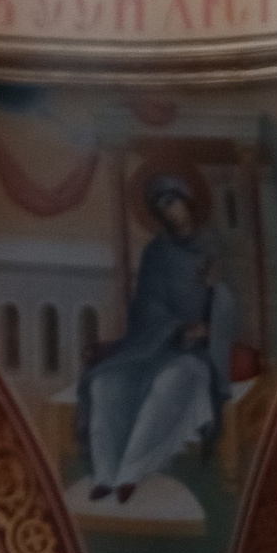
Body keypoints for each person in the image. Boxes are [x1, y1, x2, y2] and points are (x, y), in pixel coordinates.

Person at [79, 174, 235, 503]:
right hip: (152, 346)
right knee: (106, 383)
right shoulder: (156, 253)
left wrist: (211, 311)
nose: (169, 213)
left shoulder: (214, 247)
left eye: (172, 202)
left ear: (187, 201)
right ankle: (105, 475)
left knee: (169, 384)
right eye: (161, 208)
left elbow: (230, 302)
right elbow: (146, 306)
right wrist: (175, 329)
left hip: (194, 354)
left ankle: (130, 474)